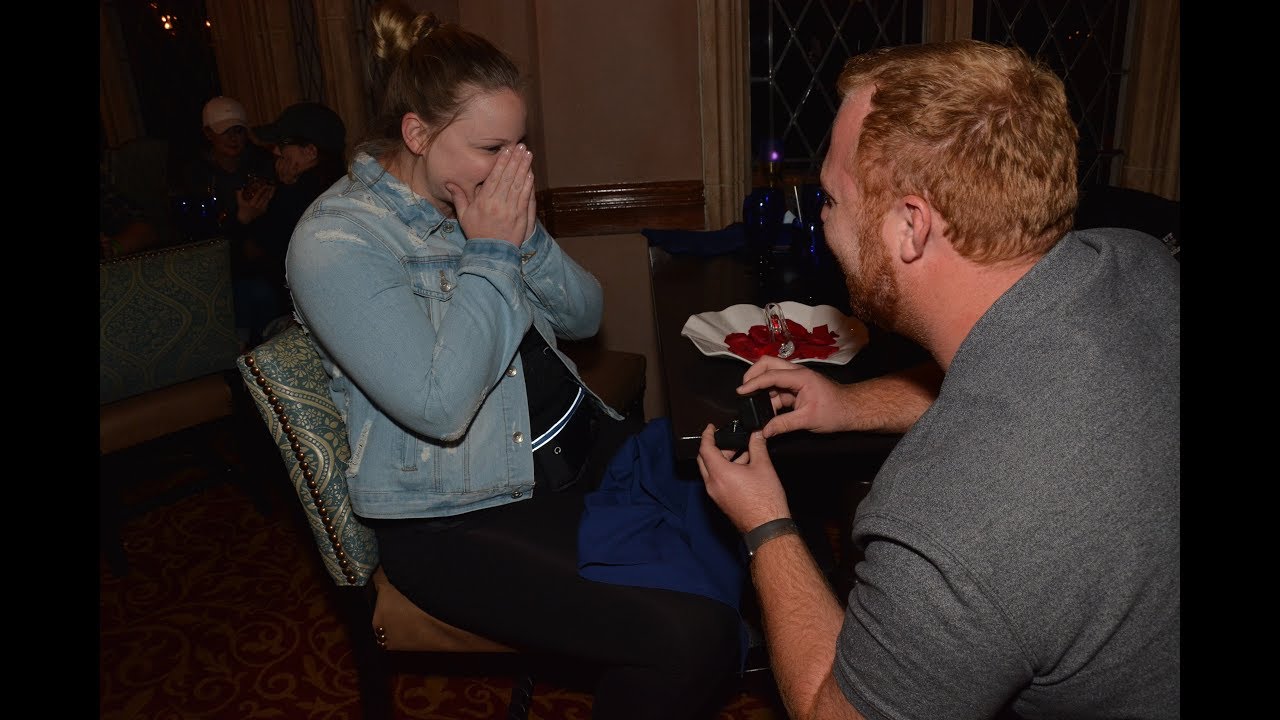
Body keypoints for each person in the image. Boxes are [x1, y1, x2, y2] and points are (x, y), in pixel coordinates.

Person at [697, 40, 1179, 720]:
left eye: (831, 198)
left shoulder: (949, 525)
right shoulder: (1138, 263)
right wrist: (848, 404)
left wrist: (765, 523)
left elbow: (832, 713)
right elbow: (1013, 376)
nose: (823, 218)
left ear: (911, 226)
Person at [285, 2, 742, 719]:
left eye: (520, 145)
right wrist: (493, 252)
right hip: (459, 518)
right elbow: (439, 406)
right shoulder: (338, 240)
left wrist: (523, 240)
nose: (514, 167)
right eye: (492, 147)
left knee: (751, 508)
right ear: (418, 134)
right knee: (693, 636)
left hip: (578, 450)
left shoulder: (477, 196)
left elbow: (585, 315)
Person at [179, 95, 281, 345]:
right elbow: (199, 238)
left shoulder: (261, 164)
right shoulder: (195, 176)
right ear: (208, 134)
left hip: (264, 262)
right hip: (219, 268)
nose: (233, 138)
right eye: (225, 131)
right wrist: (241, 221)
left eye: (238, 130)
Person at [246, 101, 349, 332]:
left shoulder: (300, 196)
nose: (276, 151)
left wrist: (248, 217)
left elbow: (260, 252)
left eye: (283, 144)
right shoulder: (346, 184)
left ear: (310, 152)